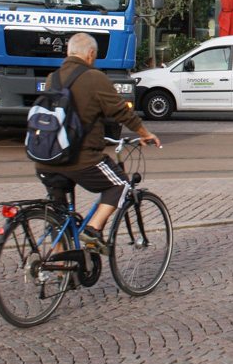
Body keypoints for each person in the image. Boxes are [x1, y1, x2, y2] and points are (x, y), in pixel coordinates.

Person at [34, 32, 161, 254]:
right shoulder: (94, 77)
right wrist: (145, 133)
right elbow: (121, 112)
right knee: (121, 184)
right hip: (81, 159)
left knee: (59, 215)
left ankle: (60, 265)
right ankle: (93, 230)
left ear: (69, 53)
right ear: (91, 54)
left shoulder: (53, 78)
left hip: (47, 159)